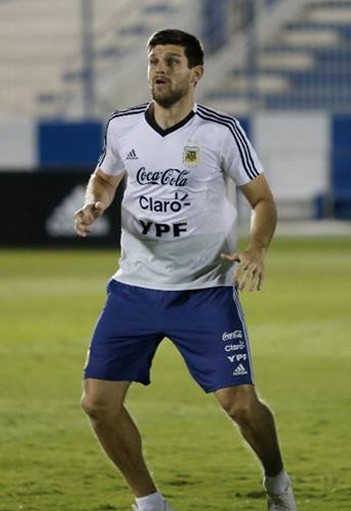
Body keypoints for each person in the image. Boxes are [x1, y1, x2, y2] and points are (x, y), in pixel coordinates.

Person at [74, 29, 297, 511]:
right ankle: (150, 502)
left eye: (172, 61)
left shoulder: (220, 131)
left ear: (195, 73)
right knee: (97, 403)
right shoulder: (122, 126)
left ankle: (277, 480)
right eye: (154, 60)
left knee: (240, 405)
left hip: (205, 291)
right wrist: (95, 203)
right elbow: (106, 175)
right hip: (134, 289)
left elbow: (261, 199)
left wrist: (257, 248)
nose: (159, 69)